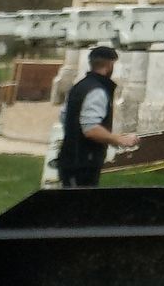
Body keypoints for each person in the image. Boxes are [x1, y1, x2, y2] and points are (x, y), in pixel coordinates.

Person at [56, 46, 138, 188]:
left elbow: (64, 117)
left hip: (70, 159)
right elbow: (91, 129)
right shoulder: (98, 91)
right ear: (109, 65)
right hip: (84, 163)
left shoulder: (78, 86)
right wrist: (119, 139)